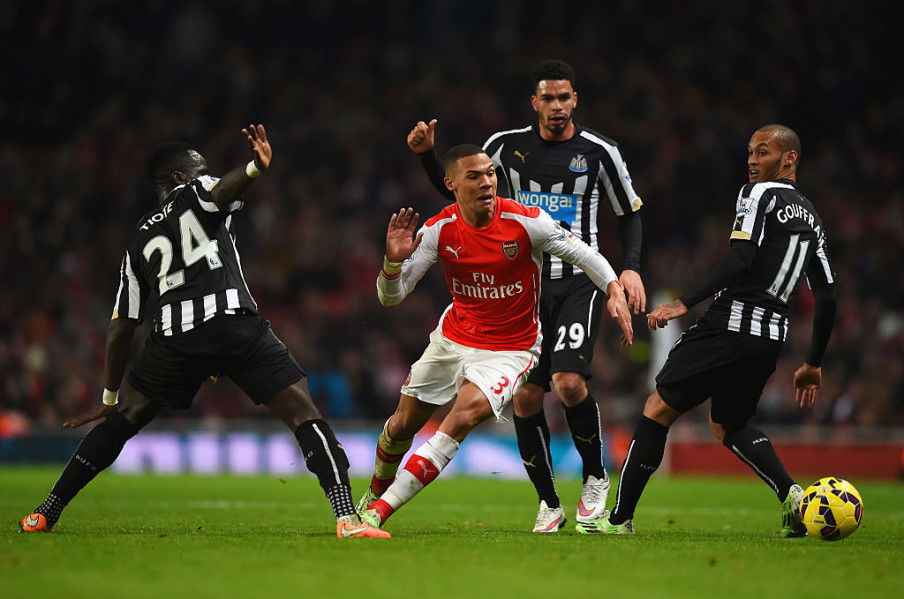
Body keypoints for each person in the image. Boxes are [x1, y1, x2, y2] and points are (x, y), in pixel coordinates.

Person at [19, 125, 389, 539]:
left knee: (125, 420)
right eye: (200, 169)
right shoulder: (197, 190)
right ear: (179, 177)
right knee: (303, 413)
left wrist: (109, 395)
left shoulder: (138, 240)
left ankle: (45, 513)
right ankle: (346, 517)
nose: (207, 173)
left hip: (175, 338)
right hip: (232, 323)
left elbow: (122, 324)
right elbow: (219, 191)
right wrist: (252, 168)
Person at [403, 59, 646, 532]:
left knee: (570, 383)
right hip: (526, 287)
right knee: (525, 398)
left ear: (575, 100)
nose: (557, 107)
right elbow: (461, 192)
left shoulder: (601, 151)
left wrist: (629, 269)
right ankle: (549, 504)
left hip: (579, 280)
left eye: (565, 98)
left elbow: (630, 212)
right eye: (548, 99)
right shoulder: (504, 148)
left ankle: (596, 477)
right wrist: (428, 157)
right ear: (534, 103)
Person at [357, 144, 634, 530]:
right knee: (402, 425)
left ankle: (376, 513)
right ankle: (374, 491)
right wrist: (391, 262)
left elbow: (585, 254)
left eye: (490, 173)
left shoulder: (526, 221)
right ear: (451, 184)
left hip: (510, 349)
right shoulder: (439, 230)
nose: (487, 181)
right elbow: (392, 297)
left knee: (461, 418)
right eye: (475, 176)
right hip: (452, 339)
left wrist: (613, 288)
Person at [593, 124, 836, 536]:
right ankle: (793, 495)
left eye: (763, 152)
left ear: (789, 159)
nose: (752, 161)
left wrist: (683, 302)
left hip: (731, 323)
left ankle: (618, 521)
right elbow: (827, 296)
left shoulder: (757, 194)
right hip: (770, 338)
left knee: (657, 409)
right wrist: (813, 362)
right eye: (750, 153)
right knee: (729, 424)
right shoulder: (812, 216)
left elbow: (741, 258)